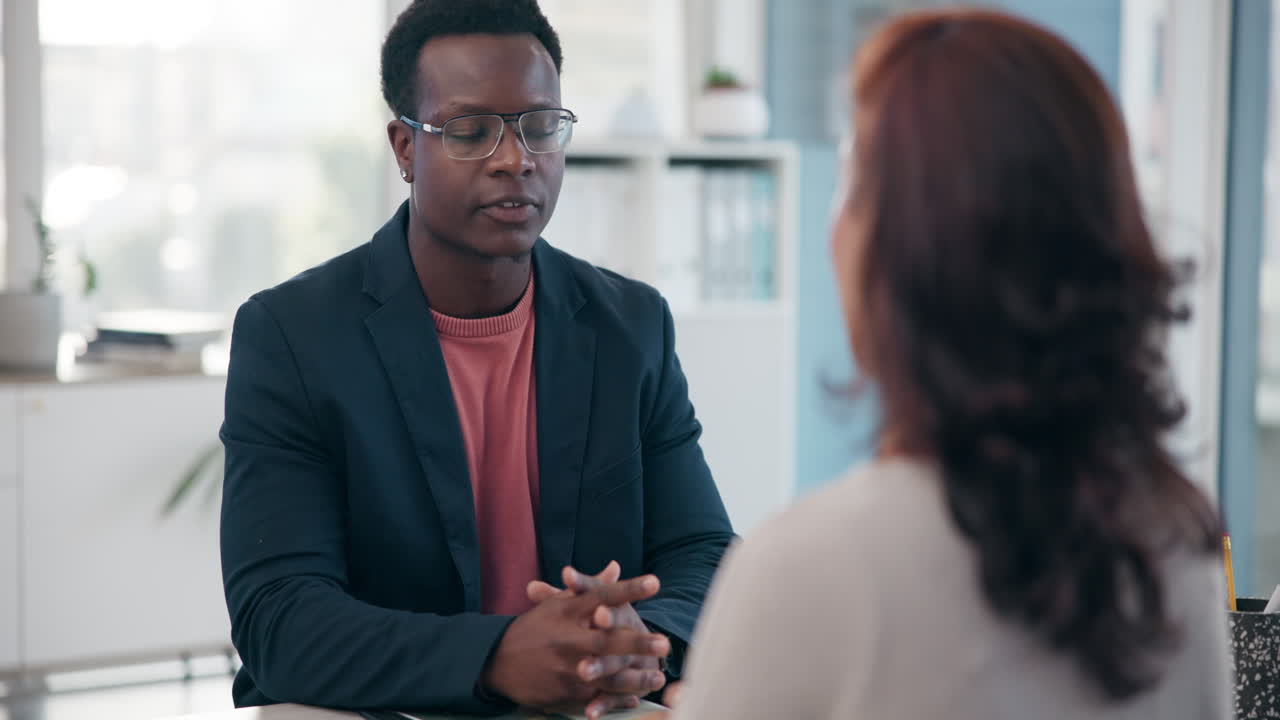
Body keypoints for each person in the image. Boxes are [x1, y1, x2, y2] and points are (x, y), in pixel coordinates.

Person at [651, 8, 1231, 720]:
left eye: (853, 181)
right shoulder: (1174, 545)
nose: (833, 224)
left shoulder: (806, 572)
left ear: (907, 256)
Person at [218, 1, 734, 717]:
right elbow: (280, 615)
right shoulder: (293, 335)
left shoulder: (630, 325)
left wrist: (635, 638)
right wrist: (494, 658)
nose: (515, 159)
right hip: (380, 702)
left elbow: (703, 551)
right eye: (470, 132)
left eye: (540, 126)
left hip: (577, 698)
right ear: (404, 148)